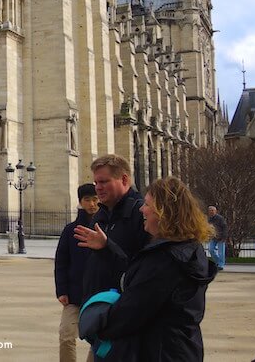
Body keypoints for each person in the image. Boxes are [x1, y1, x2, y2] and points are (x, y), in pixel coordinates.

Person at [79, 177, 217, 360]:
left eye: (147, 205)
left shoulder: (164, 259)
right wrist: (107, 248)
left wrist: (99, 326)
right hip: (181, 348)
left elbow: (131, 312)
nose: (141, 209)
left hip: (156, 352)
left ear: (163, 213)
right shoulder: (189, 248)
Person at [74, 154, 149, 299]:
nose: (98, 188)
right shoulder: (101, 214)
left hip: (123, 305)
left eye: (103, 182)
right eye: (96, 183)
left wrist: (107, 246)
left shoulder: (141, 213)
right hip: (96, 302)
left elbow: (143, 268)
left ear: (124, 179)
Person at [54, 183, 99, 362]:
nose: (92, 204)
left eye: (95, 199)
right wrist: (61, 290)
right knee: (66, 335)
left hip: (97, 293)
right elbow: (61, 262)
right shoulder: (70, 230)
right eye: (87, 200)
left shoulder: (107, 227)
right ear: (80, 202)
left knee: (98, 339)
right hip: (73, 293)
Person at [207, 205, 228, 270]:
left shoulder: (220, 218)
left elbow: (224, 227)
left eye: (213, 210)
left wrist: (224, 237)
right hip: (213, 237)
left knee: (221, 252)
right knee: (210, 249)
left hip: (221, 236)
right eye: (210, 210)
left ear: (216, 211)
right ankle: (217, 262)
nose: (211, 212)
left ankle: (221, 265)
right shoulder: (209, 219)